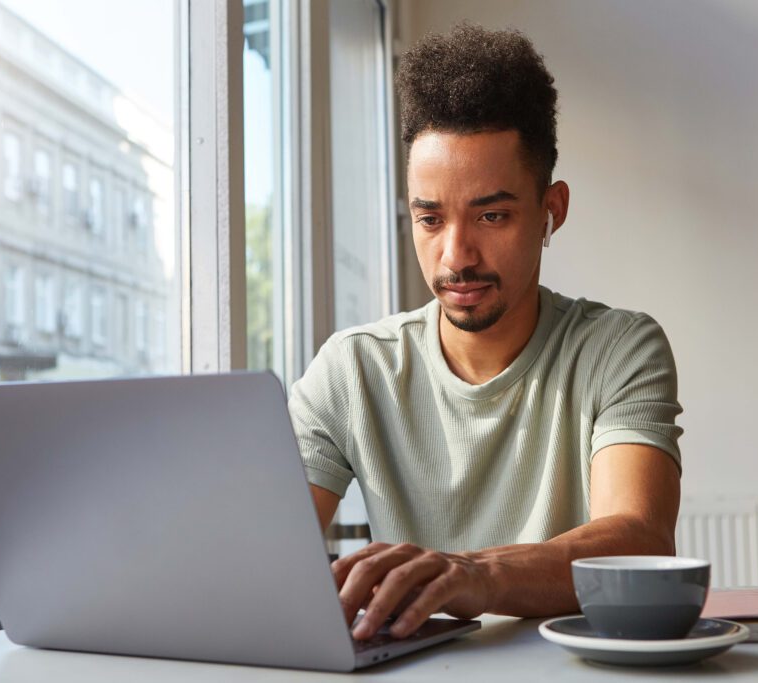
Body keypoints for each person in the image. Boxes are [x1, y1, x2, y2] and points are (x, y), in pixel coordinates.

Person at [288, 23, 683, 641]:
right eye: (429, 218)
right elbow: (266, 555)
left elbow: (638, 538)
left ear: (551, 211)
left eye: (491, 215)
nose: (455, 256)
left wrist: (474, 574)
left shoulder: (618, 350)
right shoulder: (351, 371)